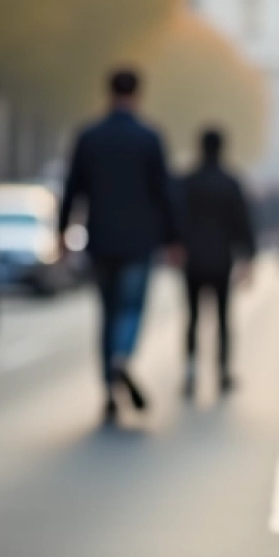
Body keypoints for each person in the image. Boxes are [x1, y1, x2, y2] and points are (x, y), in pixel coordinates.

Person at [59, 68, 183, 423]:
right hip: (139, 241)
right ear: (138, 94)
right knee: (131, 309)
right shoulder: (149, 137)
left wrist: (63, 234)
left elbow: (73, 189)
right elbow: (165, 193)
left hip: (100, 240)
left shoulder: (89, 136)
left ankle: (109, 388)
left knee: (108, 312)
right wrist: (173, 239)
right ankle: (122, 358)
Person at [177, 126, 257, 397]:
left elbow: (176, 217)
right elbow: (243, 223)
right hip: (222, 259)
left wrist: (174, 246)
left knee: (192, 317)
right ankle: (222, 371)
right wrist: (247, 259)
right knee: (223, 318)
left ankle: (190, 371)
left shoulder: (187, 181)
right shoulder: (230, 182)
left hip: (192, 259)